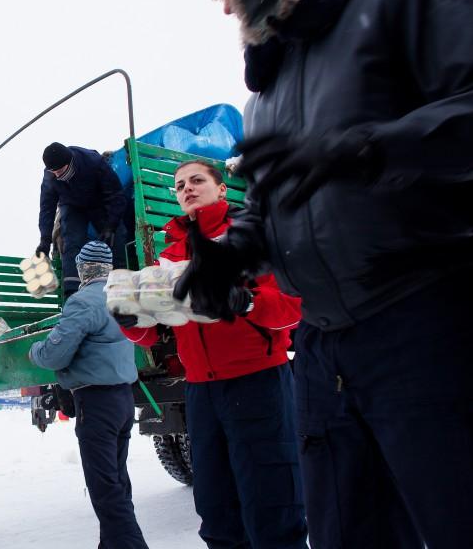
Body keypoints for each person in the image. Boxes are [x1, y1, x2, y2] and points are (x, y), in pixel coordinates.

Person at [191, 0, 473, 546]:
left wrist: (367, 149)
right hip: (322, 354)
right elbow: (268, 209)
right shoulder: (262, 96)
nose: (224, 4)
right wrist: (232, 253)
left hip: (428, 323)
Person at [116, 161, 306, 548]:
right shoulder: (166, 257)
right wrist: (130, 319)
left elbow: (293, 305)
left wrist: (246, 301)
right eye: (180, 184)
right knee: (217, 512)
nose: (187, 188)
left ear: (221, 190)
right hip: (201, 391)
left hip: (258, 384)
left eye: (197, 180)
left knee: (273, 508)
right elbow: (154, 333)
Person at [30, 241, 149, 549]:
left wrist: (35, 351)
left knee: (105, 490)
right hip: (123, 400)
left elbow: (55, 355)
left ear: (83, 268)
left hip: (96, 404)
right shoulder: (124, 297)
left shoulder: (83, 302)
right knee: (117, 481)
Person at [37, 142, 128, 295]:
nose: (57, 174)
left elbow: (115, 194)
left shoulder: (93, 162)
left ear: (69, 162)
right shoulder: (51, 177)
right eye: (54, 171)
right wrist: (45, 240)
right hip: (71, 205)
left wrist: (110, 226)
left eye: (60, 170)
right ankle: (72, 292)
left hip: (99, 200)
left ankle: (120, 285)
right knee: (71, 240)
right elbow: (47, 209)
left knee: (115, 237)